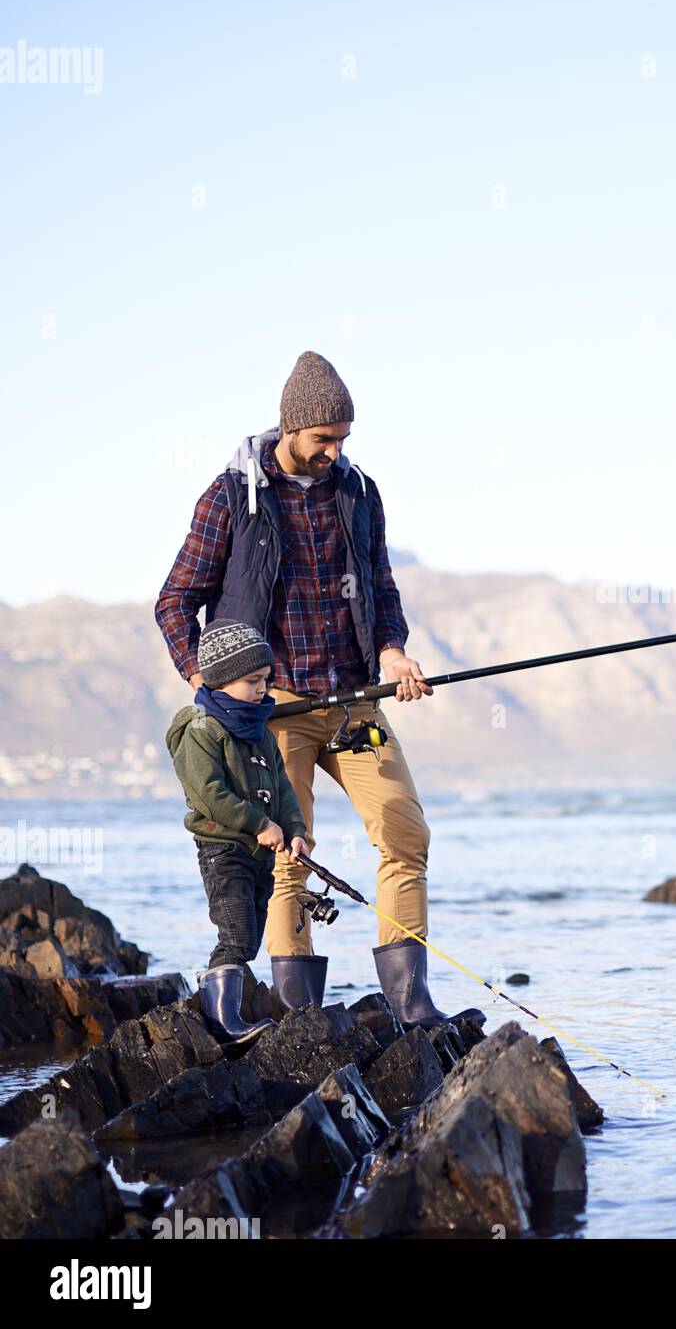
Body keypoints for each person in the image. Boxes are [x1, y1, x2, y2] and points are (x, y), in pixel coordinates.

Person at [155, 350, 484, 1030]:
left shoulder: (359, 494)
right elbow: (174, 602)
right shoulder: (231, 496)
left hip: (353, 700)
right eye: (322, 440)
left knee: (405, 834)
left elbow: (382, 586)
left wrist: (393, 649)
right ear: (289, 428)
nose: (334, 452)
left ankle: (411, 1006)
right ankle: (298, 1013)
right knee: (286, 855)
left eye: (343, 439)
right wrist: (206, 684)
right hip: (269, 711)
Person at [165, 619, 307, 1044]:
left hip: (260, 855)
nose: (263, 689)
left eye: (265, 679)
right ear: (223, 679)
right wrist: (259, 823)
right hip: (222, 850)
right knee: (236, 934)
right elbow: (208, 795)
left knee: (251, 937)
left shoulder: (260, 731)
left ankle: (229, 1011)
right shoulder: (202, 729)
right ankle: (222, 1024)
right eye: (253, 681)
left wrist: (294, 830)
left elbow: (282, 787)